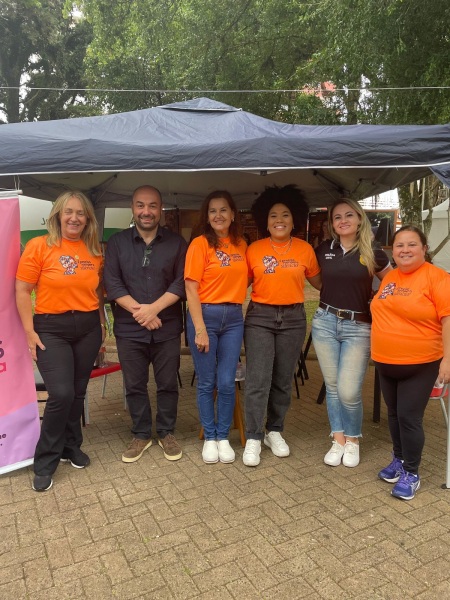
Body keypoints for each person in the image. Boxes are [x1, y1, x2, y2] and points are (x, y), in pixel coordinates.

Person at [16, 191, 105, 492]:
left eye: (81, 213)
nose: (74, 218)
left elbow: (96, 292)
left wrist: (102, 324)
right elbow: (22, 290)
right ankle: (45, 460)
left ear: (88, 219)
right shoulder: (39, 246)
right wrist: (29, 332)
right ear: (57, 215)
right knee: (61, 393)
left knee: (78, 392)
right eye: (68, 212)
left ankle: (71, 446)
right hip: (51, 328)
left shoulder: (93, 249)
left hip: (88, 327)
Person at [104, 185, 187, 463]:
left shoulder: (177, 243)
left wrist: (154, 310)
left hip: (167, 326)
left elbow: (181, 282)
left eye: (152, 206)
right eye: (140, 205)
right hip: (130, 329)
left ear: (160, 209)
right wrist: (141, 313)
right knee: (135, 385)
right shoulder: (117, 243)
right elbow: (112, 283)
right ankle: (141, 434)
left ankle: (166, 432)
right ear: (132, 208)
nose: (146, 211)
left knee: (167, 384)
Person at [243, 185, 321, 467]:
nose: (279, 220)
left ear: (294, 219)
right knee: (257, 379)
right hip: (260, 318)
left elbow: (321, 283)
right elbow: (238, 284)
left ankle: (274, 431)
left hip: (293, 319)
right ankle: (253, 435)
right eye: (274, 215)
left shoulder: (305, 250)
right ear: (265, 220)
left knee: (282, 379)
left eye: (285, 215)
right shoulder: (254, 250)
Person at [371, 225, 450, 500]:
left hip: (421, 362)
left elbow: (448, 319)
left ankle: (412, 473)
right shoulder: (390, 277)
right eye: (399, 245)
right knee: (393, 414)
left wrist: (448, 361)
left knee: (408, 417)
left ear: (424, 249)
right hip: (385, 360)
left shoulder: (437, 278)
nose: (404, 250)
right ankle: (399, 460)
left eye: (411, 244)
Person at [312, 198, 391, 468]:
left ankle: (354, 439)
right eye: (337, 217)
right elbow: (318, 280)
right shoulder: (324, 249)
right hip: (324, 321)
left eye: (349, 215)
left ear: (359, 219)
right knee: (333, 387)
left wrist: (376, 299)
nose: (343, 220)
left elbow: (390, 284)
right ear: (332, 224)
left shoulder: (374, 252)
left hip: (358, 326)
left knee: (348, 390)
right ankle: (338, 439)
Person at [185, 191, 247, 464]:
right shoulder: (199, 244)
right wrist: (199, 328)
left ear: (233, 214)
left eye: (224, 210)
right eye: (213, 211)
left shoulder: (241, 245)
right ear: (206, 216)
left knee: (226, 382)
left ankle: (223, 437)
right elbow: (191, 287)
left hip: (233, 318)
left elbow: (245, 280)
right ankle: (209, 437)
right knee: (207, 382)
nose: (218, 215)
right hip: (205, 316)